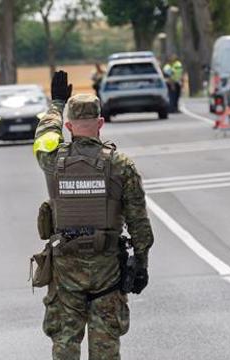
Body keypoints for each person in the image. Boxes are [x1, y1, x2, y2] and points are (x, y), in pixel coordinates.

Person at [33, 71, 154, 360]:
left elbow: (44, 135)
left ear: (69, 126)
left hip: (66, 273)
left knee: (65, 342)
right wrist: (141, 265)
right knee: (106, 348)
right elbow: (139, 224)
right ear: (100, 123)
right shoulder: (121, 165)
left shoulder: (52, 160)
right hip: (107, 272)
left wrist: (56, 103)